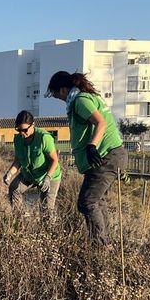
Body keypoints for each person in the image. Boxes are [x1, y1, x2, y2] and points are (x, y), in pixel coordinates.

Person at [46, 71, 125, 247]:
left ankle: (101, 247)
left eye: (56, 94)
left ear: (63, 89)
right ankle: (106, 244)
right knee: (98, 201)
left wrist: (92, 146)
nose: (58, 98)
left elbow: (101, 123)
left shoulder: (81, 100)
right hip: (111, 155)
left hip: (105, 156)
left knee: (86, 202)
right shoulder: (86, 97)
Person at [2, 110, 61, 217]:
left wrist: (48, 177)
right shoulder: (18, 139)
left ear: (33, 125)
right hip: (28, 174)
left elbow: (54, 160)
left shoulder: (44, 138)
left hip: (48, 175)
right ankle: (18, 220)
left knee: (46, 208)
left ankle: (49, 230)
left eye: (25, 130)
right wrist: (9, 173)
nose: (22, 133)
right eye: (19, 130)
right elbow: (18, 160)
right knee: (14, 188)